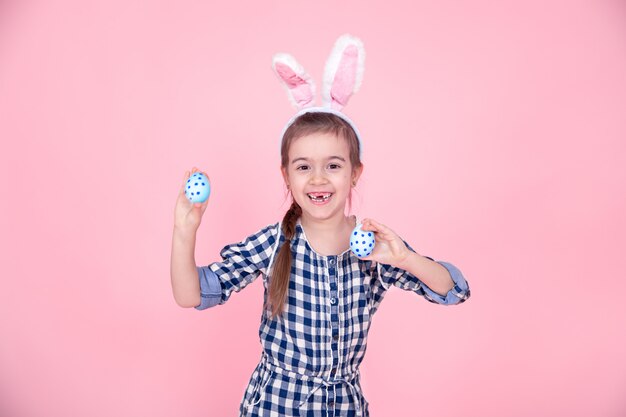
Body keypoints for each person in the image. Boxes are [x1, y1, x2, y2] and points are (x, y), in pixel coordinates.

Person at [170, 35, 470, 417]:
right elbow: (191, 294)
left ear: (354, 173)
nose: (318, 179)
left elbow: (453, 290)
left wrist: (406, 258)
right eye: (303, 167)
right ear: (287, 176)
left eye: (333, 165)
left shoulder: (375, 247)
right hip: (275, 406)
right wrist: (185, 230)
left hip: (345, 406)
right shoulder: (272, 244)